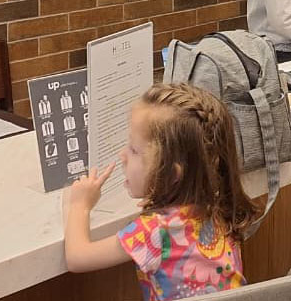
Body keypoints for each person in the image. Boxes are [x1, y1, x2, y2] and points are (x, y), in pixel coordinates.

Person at [64, 82, 258, 301]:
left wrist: (80, 205)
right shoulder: (219, 209)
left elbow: (77, 258)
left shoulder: (155, 230)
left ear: (172, 174)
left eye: (134, 150)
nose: (122, 155)